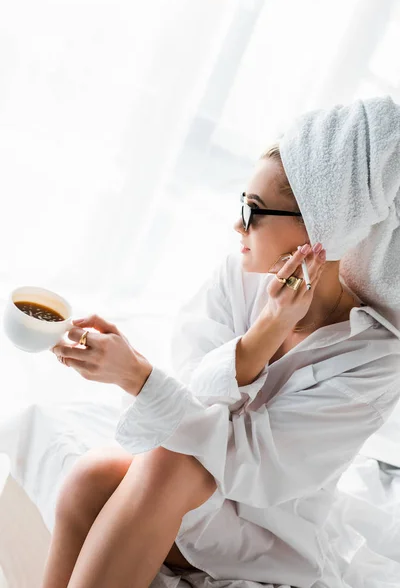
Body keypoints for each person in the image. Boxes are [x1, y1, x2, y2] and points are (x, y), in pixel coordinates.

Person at [42, 144, 400, 588]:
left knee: (174, 461)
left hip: (266, 532)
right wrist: (260, 338)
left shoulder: (374, 357)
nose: (237, 225)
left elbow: (253, 468)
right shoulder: (237, 276)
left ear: (319, 234)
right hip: (191, 499)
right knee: (89, 477)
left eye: (253, 212)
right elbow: (191, 402)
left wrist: (138, 375)